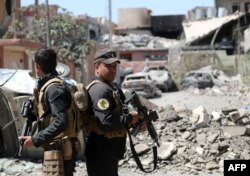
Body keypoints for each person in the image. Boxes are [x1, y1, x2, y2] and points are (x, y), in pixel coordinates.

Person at [18, 48, 77, 176]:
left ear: (37, 66)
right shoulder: (50, 86)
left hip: (60, 151)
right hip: (56, 150)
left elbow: (61, 121)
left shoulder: (54, 88)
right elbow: (49, 115)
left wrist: (35, 139)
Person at [85, 48, 142, 176]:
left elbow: (123, 111)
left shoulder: (112, 87)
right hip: (100, 153)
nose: (112, 70)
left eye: (114, 66)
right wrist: (129, 118)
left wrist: (137, 120)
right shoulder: (100, 90)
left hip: (108, 153)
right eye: (107, 66)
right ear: (96, 66)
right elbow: (106, 122)